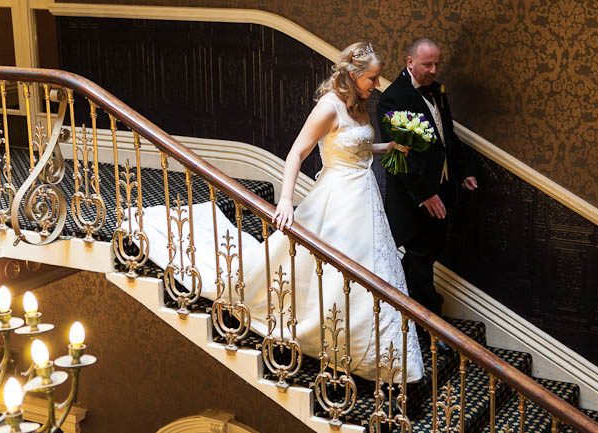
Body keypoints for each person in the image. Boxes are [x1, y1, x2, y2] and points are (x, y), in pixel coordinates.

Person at [135, 42, 424, 382]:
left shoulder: (359, 104)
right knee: (335, 270)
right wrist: (285, 201)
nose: (376, 84)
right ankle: (338, 341)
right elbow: (296, 153)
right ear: (352, 74)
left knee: (371, 270)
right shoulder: (329, 107)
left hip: (364, 199)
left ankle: (376, 353)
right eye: (372, 78)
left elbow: (356, 148)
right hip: (337, 201)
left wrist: (386, 146)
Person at [377, 38, 478, 345]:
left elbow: (448, 137)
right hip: (414, 197)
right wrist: (424, 195)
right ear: (410, 62)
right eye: (427, 65)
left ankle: (413, 310)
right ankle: (430, 324)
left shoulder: (437, 92)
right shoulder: (393, 98)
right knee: (420, 254)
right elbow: (399, 158)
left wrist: (463, 171)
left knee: (429, 252)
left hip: (443, 190)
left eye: (437, 64)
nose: (434, 70)